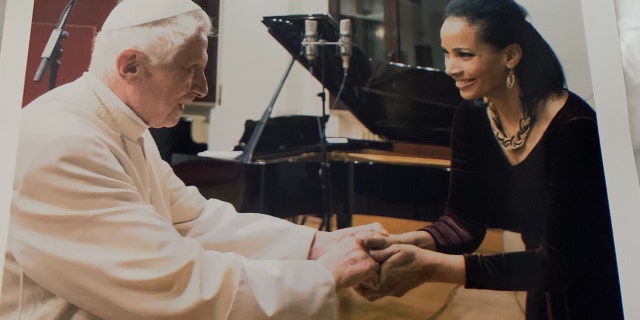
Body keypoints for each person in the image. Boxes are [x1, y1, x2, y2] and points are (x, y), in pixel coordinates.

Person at [0, 0, 385, 319]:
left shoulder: (120, 124)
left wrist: (315, 243)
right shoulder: (64, 141)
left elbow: (195, 221)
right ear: (130, 65)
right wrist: (320, 276)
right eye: (191, 70)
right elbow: (166, 283)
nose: (201, 88)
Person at [356, 0, 625, 319]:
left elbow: (560, 264)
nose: (450, 68)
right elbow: (463, 222)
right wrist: (408, 242)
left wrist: (428, 267)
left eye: (464, 54)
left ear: (510, 55)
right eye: (446, 53)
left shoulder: (574, 128)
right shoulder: (471, 117)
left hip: (594, 295)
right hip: (542, 292)